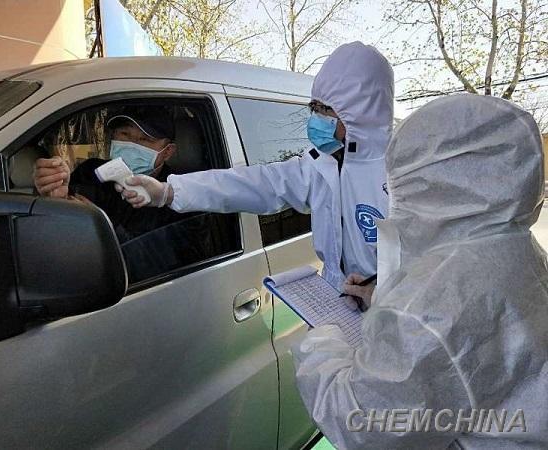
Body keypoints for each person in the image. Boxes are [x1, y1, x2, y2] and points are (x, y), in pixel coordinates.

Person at [293, 94, 548, 449]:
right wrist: (384, 298)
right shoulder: (514, 246)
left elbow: (361, 424)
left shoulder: (434, 303)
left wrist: (322, 339)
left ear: (433, 185)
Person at [117, 42, 395, 295]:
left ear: (361, 114)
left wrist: (381, 297)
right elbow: (257, 183)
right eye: (315, 107)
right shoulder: (324, 163)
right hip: (337, 302)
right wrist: (169, 191)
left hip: (386, 315)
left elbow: (419, 270)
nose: (317, 118)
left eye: (326, 110)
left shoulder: (399, 176)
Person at [33, 108, 182, 242]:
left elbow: (153, 257)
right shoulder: (91, 171)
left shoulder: (175, 195)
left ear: (167, 152)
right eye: (125, 134)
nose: (132, 144)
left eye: (145, 139)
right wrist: (56, 196)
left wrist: (100, 223)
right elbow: (56, 227)